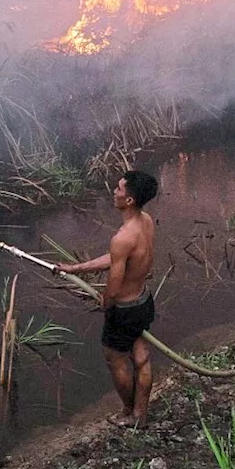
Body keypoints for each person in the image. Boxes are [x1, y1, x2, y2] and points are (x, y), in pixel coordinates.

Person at [56, 170, 159, 428]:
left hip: (125, 309)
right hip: (143, 301)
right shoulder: (145, 221)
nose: (114, 191)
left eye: (120, 189)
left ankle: (128, 412)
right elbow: (118, 258)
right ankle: (141, 414)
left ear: (129, 200)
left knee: (115, 358)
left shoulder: (122, 238)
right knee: (141, 355)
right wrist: (76, 268)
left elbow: (113, 285)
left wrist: (106, 302)